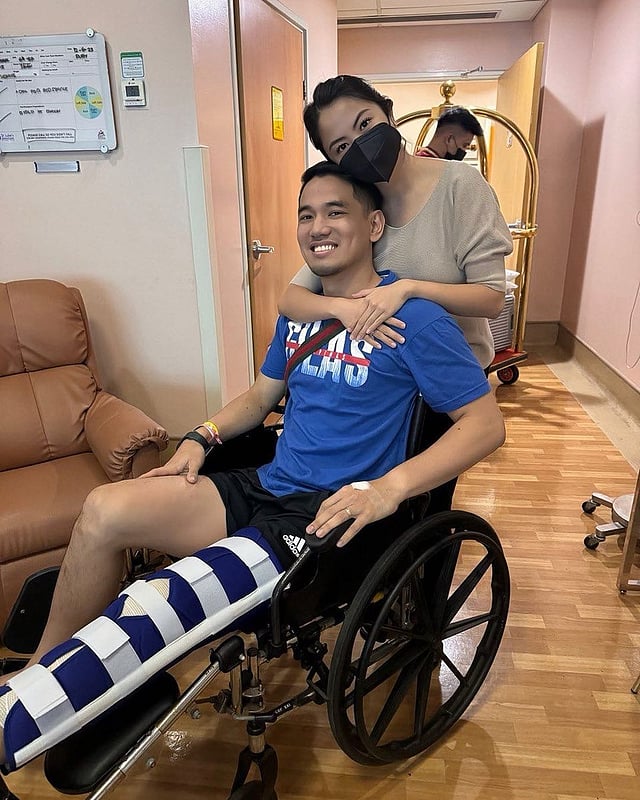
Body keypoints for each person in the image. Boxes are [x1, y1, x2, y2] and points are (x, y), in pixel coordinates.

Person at [0, 162, 505, 774]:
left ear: (374, 226)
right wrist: (200, 437)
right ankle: (38, 671)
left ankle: (22, 719)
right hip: (266, 485)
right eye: (306, 215)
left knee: (163, 599)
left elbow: (485, 425)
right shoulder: (304, 313)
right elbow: (263, 396)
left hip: (322, 519)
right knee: (105, 508)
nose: (317, 227)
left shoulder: (417, 319)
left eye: (336, 212)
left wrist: (387, 489)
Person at [415, 105, 485, 160]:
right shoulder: (431, 166)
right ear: (449, 139)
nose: (464, 151)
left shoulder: (417, 161)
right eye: (464, 145)